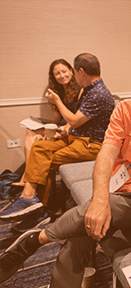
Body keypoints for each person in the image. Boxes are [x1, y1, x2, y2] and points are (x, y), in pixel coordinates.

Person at [0, 49, 131, 287]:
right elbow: (105, 154)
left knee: (91, 211)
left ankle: (32, 242)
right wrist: (101, 198)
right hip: (120, 192)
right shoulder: (125, 110)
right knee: (81, 233)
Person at [0, 53, 114, 225]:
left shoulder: (99, 93)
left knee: (43, 161)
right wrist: (64, 131)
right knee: (39, 148)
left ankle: (36, 210)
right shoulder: (89, 89)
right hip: (77, 138)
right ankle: (29, 199)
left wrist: (57, 101)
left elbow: (75, 120)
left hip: (91, 145)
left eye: (73, 72)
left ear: (80, 71)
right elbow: (79, 122)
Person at [15, 59, 79, 187]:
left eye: (64, 71)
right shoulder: (57, 92)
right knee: (31, 131)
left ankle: (28, 179)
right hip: (59, 126)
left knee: (38, 139)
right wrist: (41, 124)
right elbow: (54, 119)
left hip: (70, 128)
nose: (62, 76)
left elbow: (76, 119)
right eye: (57, 73)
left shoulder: (79, 90)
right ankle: (30, 177)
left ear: (71, 71)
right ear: (53, 77)